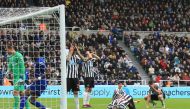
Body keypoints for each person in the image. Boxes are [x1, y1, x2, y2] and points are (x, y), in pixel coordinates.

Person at [6, 45, 30, 109]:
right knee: (22, 93)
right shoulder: (11, 57)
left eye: (7, 50)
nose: (7, 51)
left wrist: (21, 77)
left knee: (15, 92)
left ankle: (15, 107)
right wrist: (7, 71)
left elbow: (22, 66)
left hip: (20, 77)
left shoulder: (19, 55)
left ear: (11, 49)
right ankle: (28, 107)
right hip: (15, 77)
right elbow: (10, 66)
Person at [66, 44, 81, 109]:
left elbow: (83, 60)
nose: (73, 49)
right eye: (72, 48)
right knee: (65, 92)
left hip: (75, 77)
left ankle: (77, 107)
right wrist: (70, 51)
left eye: (73, 48)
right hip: (68, 77)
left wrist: (78, 51)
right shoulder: (67, 55)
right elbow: (67, 59)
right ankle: (64, 107)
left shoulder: (77, 57)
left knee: (76, 92)